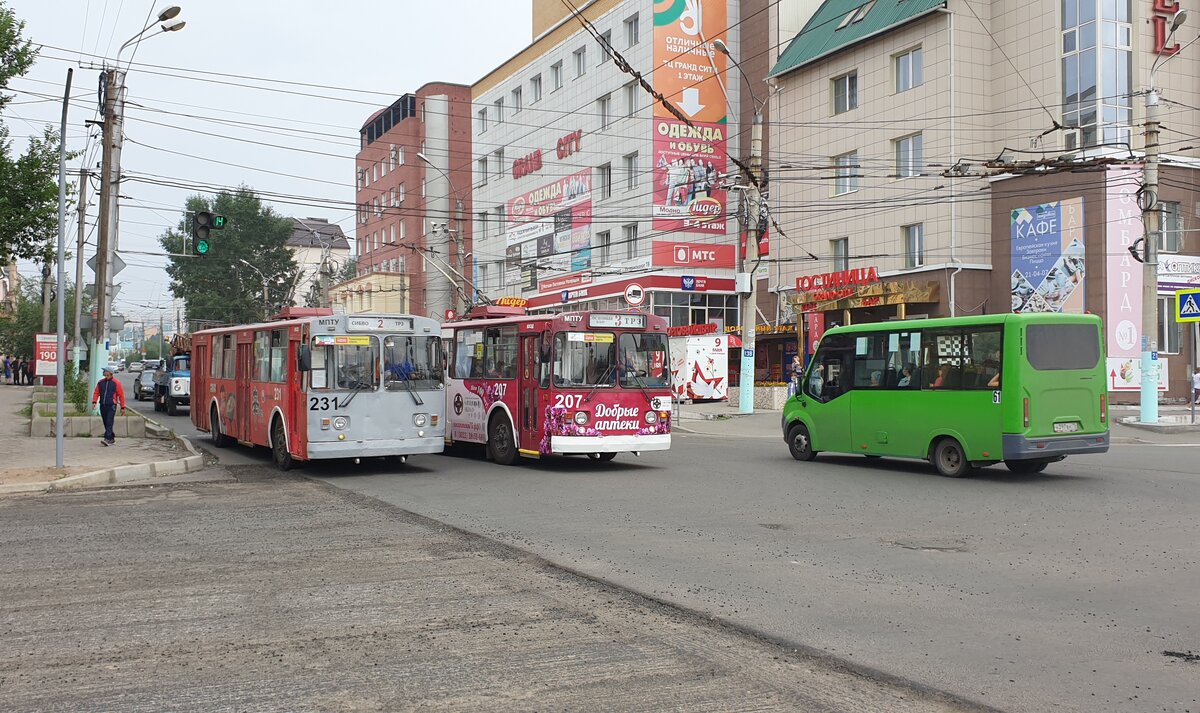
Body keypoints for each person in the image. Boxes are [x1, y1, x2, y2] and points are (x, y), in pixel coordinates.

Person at [91, 366, 126, 446]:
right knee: (105, 422)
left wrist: (123, 407)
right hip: (103, 405)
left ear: (110, 373)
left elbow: (121, 395)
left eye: (106, 372)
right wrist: (94, 402)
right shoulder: (100, 382)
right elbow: (96, 392)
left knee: (109, 421)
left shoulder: (116, 383)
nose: (104, 374)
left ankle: (107, 439)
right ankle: (111, 438)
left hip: (112, 405)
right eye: (104, 373)